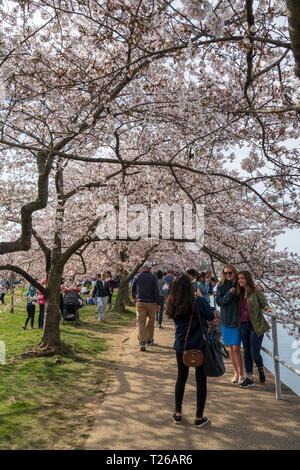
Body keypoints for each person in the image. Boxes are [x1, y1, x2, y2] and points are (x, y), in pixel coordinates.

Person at [167, 273, 214, 428]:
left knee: (182, 377)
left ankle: (178, 413)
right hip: (199, 345)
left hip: (182, 345)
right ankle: (199, 417)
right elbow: (210, 316)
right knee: (201, 380)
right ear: (190, 287)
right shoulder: (197, 301)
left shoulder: (173, 302)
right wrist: (200, 297)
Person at [237, 271, 272, 388]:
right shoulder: (239, 292)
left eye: (242, 278)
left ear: (247, 279)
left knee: (254, 353)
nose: (240, 280)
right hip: (243, 326)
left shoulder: (256, 291)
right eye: (238, 279)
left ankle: (261, 369)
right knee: (246, 352)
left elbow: (264, 303)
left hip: (255, 325)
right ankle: (249, 378)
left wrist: (268, 309)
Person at [216, 265, 244, 384]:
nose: (228, 275)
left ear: (234, 272)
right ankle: (236, 373)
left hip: (237, 320)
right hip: (226, 320)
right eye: (226, 273)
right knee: (231, 349)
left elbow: (250, 291)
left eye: (230, 273)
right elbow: (219, 302)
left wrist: (259, 289)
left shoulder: (240, 283)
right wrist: (230, 293)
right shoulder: (221, 285)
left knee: (236, 348)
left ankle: (242, 375)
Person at [131, 261, 160, 351]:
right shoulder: (153, 277)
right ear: (150, 268)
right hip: (151, 302)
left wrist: (134, 297)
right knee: (151, 322)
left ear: (143, 267)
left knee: (140, 322)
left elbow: (133, 288)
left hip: (140, 301)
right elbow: (156, 291)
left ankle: (142, 342)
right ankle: (149, 339)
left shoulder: (137, 276)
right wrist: (158, 303)